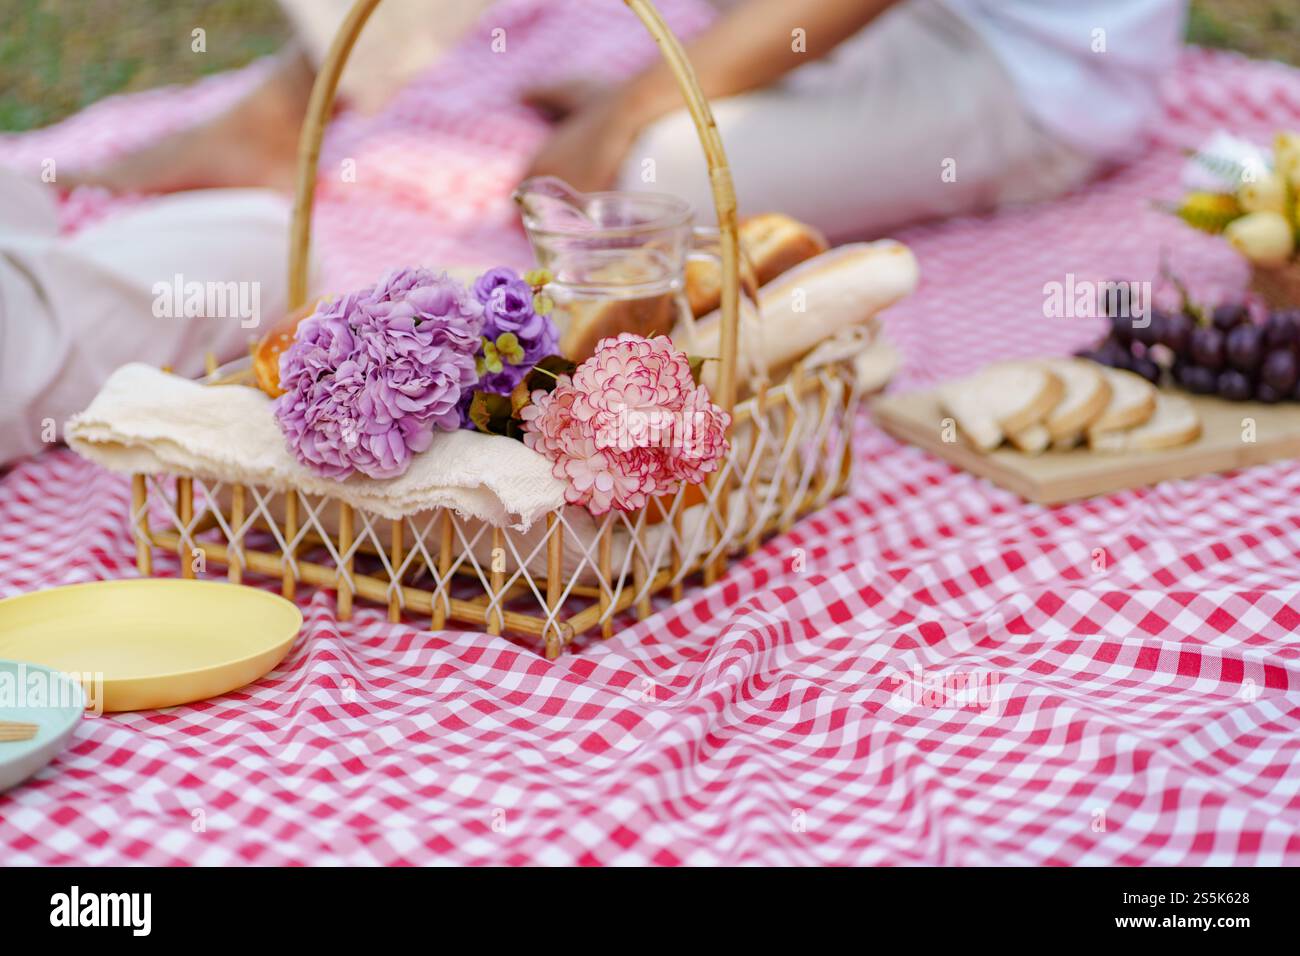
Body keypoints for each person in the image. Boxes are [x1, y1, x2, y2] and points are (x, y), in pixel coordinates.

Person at [67, 0, 1189, 240]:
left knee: (645, 191)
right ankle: (283, 111)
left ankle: (700, 91)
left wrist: (653, 95)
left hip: (1017, 58)